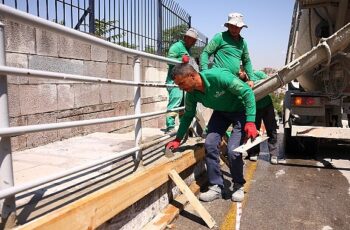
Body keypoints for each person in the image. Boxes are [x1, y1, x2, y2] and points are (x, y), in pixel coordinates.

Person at [165, 63, 258, 202]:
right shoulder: (191, 94)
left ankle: (238, 184)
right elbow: (188, 115)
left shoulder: (219, 77)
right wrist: (178, 139)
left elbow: (247, 92)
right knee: (210, 144)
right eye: (178, 85)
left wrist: (250, 121)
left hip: (240, 111)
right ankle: (216, 186)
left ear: (192, 75)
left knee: (233, 151)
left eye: (182, 83)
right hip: (220, 113)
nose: (180, 88)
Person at [238, 67, 280, 164]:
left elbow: (269, 82)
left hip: (267, 105)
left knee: (271, 130)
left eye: (239, 73)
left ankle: (273, 154)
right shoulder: (239, 81)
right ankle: (253, 153)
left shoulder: (257, 74)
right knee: (254, 131)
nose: (238, 75)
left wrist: (254, 84)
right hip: (254, 109)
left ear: (244, 71)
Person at [200, 12, 255, 82]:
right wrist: (205, 72)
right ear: (228, 26)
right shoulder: (220, 37)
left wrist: (252, 79)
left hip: (233, 80)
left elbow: (246, 61)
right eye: (232, 26)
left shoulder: (243, 43)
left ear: (241, 28)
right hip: (218, 78)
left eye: (237, 27)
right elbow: (206, 53)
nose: (234, 29)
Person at [165, 28, 198, 133]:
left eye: (193, 40)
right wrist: (181, 61)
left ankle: (183, 127)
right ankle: (170, 127)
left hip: (184, 82)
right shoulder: (177, 47)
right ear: (185, 37)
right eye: (189, 38)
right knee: (175, 101)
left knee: (183, 105)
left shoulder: (188, 49)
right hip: (174, 81)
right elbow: (168, 61)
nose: (191, 41)